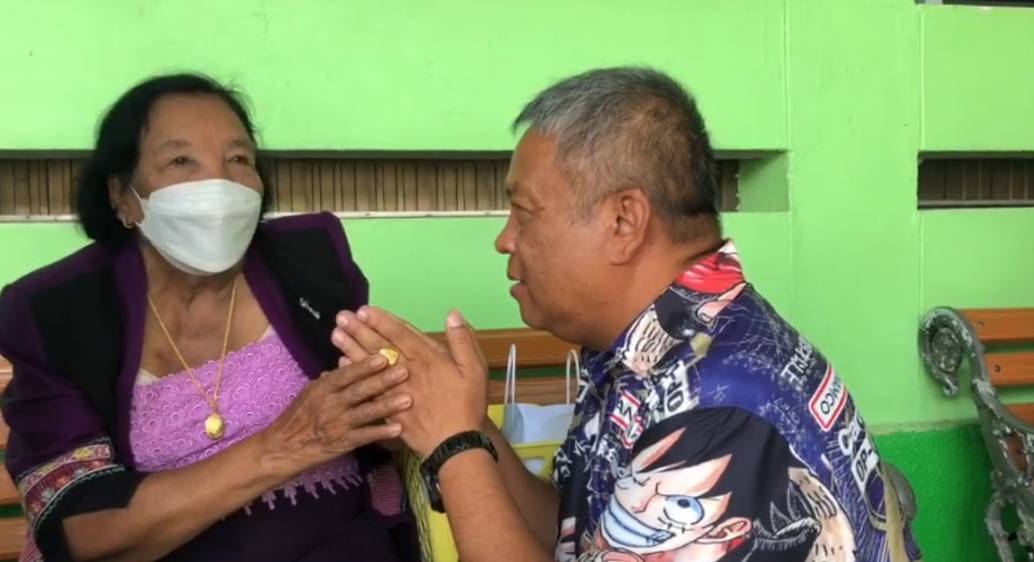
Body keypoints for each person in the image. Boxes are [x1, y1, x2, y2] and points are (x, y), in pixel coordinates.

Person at [331, 67, 922, 562]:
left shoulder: (716, 411)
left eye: (525, 212)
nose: (505, 240)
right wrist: (465, 420)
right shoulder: (654, 350)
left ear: (623, 222)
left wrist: (453, 446)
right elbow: (574, 535)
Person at [0, 74, 418, 562]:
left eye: (238, 159)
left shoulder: (310, 261)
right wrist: (286, 446)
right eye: (181, 161)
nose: (218, 184)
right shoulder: (56, 312)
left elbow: (382, 404)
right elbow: (79, 527)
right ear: (122, 195)